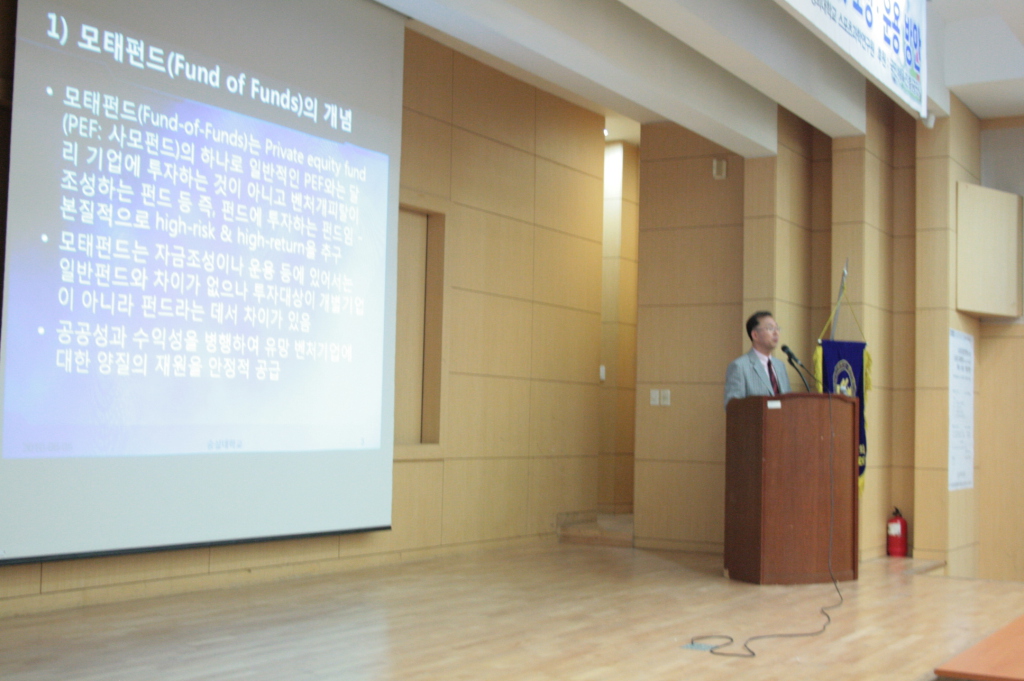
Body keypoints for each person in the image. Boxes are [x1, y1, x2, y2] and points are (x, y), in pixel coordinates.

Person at [724, 311, 790, 409]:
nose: (776, 333)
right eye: (770, 328)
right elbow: (732, 407)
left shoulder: (780, 366)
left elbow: (788, 401)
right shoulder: (739, 366)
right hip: (756, 419)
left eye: (777, 328)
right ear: (755, 335)